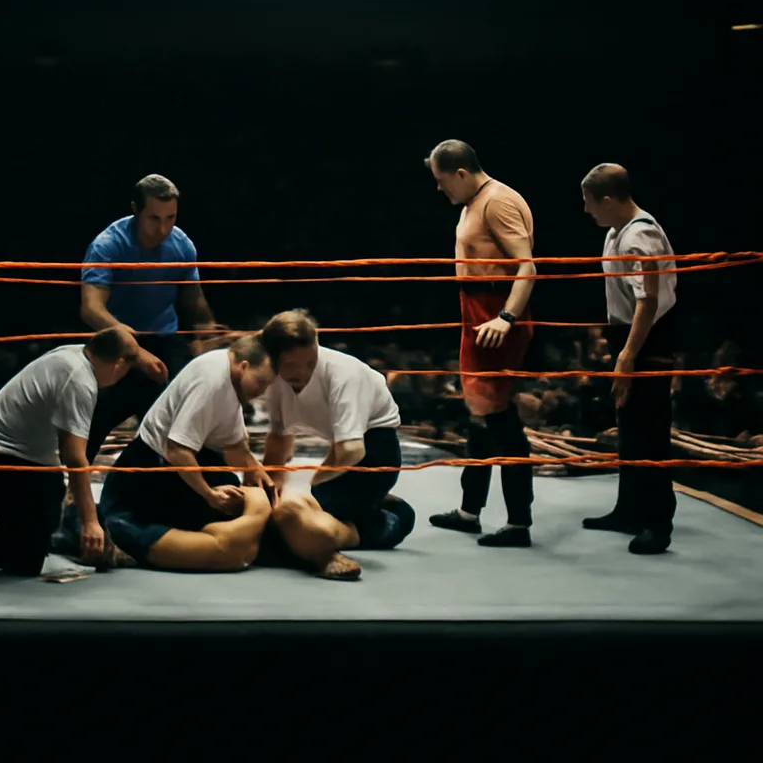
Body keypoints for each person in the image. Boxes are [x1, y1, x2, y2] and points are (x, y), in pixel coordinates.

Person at [53, 174, 225, 556]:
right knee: (91, 418)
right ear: (135, 211)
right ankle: (71, 499)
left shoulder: (181, 245)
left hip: (164, 339)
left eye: (171, 218)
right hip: (115, 341)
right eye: (155, 219)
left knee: (184, 422)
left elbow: (194, 301)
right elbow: (91, 309)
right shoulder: (108, 244)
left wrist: (208, 334)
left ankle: (187, 496)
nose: (163, 228)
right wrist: (132, 351)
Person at [0, 327, 140, 577]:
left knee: (49, 511)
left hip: (16, 464)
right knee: (26, 558)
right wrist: (89, 522)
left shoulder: (75, 354)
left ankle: (12, 525)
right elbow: (74, 456)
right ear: (119, 365)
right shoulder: (80, 381)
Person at [425, 139, 538, 547]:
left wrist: (506, 317)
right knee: (480, 415)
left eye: (442, 180)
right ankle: (469, 511)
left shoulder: (497, 201)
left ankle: (519, 523)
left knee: (499, 418)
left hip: (494, 312)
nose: (440, 190)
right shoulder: (477, 202)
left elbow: (527, 266)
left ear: (460, 173)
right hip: (476, 310)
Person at [258, 310, 416, 581]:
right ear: (273, 360)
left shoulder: (345, 373)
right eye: (292, 365)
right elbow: (280, 437)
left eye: (310, 362)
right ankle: (374, 512)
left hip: (375, 453)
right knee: (273, 517)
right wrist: (267, 488)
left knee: (294, 519)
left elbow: (353, 450)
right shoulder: (271, 379)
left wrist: (313, 486)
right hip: (341, 451)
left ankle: (387, 523)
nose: (303, 372)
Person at [97, 335, 276, 572]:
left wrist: (255, 469)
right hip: (150, 472)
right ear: (243, 367)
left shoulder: (229, 379)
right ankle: (84, 523)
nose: (261, 392)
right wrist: (209, 494)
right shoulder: (212, 380)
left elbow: (234, 445)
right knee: (221, 547)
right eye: (260, 382)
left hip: (188, 462)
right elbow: (177, 450)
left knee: (249, 527)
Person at [581, 163, 678, 554]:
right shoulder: (615, 232)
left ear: (607, 200)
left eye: (590, 203)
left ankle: (658, 523)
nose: (586, 211)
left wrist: (627, 356)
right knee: (630, 423)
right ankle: (629, 510)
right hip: (628, 333)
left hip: (648, 337)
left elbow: (648, 301)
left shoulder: (640, 235)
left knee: (650, 429)